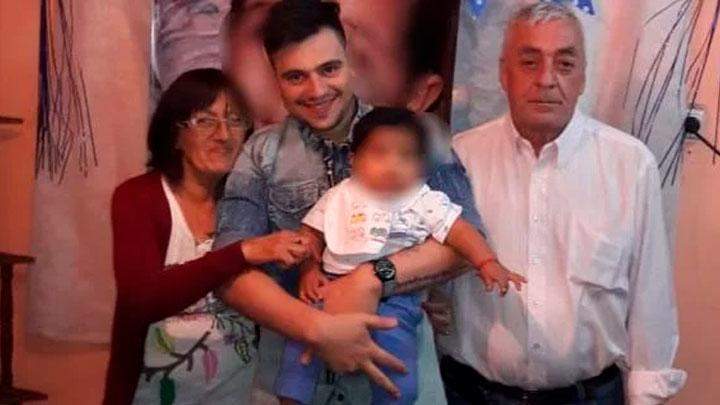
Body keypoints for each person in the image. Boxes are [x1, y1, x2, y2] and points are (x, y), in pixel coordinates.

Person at [215, 1, 485, 403]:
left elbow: (467, 242)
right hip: (296, 370)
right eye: (295, 77)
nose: (317, 91)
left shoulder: (414, 136)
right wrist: (318, 329)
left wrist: (374, 277)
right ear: (275, 78)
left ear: (349, 62)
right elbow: (229, 269)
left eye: (329, 69)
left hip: (397, 363)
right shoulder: (260, 153)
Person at [104, 68, 404, 405]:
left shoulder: (251, 201)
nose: (223, 134)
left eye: (235, 120)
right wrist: (243, 251)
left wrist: (394, 286)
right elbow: (141, 299)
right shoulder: (139, 197)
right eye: (205, 121)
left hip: (241, 394)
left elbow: (306, 276)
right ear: (174, 134)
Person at [444, 4, 687, 404]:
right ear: (504, 73)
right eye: (529, 62)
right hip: (471, 395)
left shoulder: (629, 165)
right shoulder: (458, 159)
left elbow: (651, 302)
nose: (546, 79)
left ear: (582, 77)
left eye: (565, 63)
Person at [275, 107, 525, 405]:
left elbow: (459, 231)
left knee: (398, 361)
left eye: (405, 156)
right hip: (329, 287)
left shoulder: (424, 199)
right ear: (354, 160)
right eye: (379, 153)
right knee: (300, 347)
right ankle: (292, 398)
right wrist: (309, 271)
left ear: (421, 166)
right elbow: (310, 235)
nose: (392, 165)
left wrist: (487, 261)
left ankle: (395, 399)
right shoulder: (340, 195)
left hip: (395, 298)